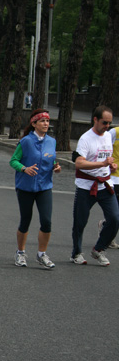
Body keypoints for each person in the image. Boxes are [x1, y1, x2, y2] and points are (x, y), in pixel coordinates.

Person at [9, 109, 61, 268]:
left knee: (46, 221)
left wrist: (55, 167)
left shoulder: (52, 141)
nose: (46, 124)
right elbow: (13, 161)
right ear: (34, 124)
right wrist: (24, 169)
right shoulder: (25, 141)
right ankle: (20, 253)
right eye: (42, 121)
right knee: (26, 220)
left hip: (44, 186)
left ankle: (41, 254)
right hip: (26, 186)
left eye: (47, 121)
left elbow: (50, 160)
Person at [70, 105, 119, 266]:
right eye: (104, 122)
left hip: (105, 184)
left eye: (110, 123)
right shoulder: (86, 138)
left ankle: (99, 249)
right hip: (86, 186)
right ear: (95, 119)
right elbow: (79, 163)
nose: (107, 126)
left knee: (114, 219)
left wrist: (110, 166)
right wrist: (102, 163)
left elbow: (106, 158)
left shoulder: (107, 136)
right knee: (80, 221)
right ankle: (76, 253)